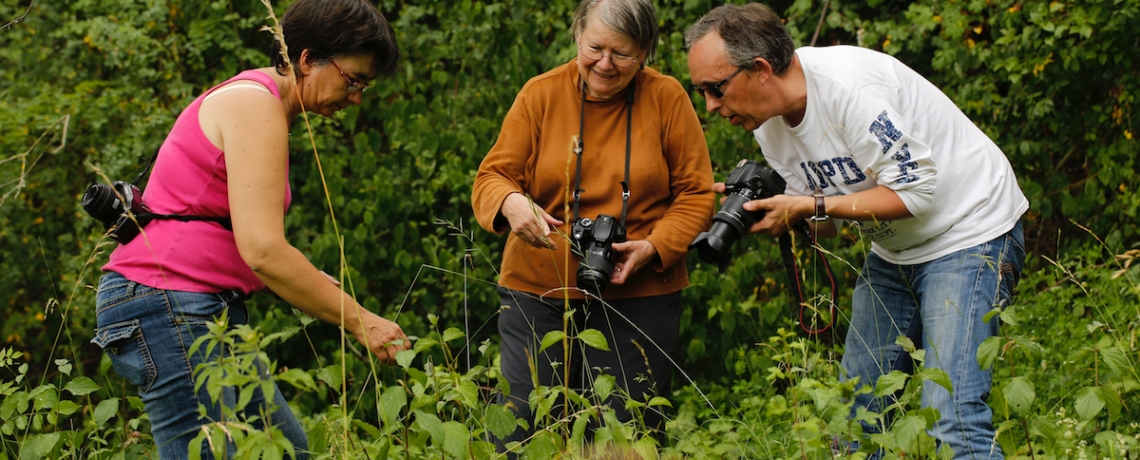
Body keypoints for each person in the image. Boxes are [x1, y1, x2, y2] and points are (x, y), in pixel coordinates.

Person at [684, 3, 1028, 459]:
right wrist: (781, 213)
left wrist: (811, 203)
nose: (710, 106)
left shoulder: (849, 89)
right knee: (853, 415)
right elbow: (827, 222)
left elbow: (918, 193)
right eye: (701, 92)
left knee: (953, 415)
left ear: (761, 69)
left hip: (970, 232)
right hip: (895, 253)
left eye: (716, 88)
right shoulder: (768, 126)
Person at [89, 1, 409, 458]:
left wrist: (312, 280)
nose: (356, 97)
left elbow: (239, 235)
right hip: (170, 302)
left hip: (184, 304)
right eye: (352, 79)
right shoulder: (255, 105)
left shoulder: (257, 103)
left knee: (280, 451)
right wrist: (362, 320)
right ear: (306, 59)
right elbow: (261, 248)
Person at [472, 0, 714, 448]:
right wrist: (510, 202)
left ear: (644, 52)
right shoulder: (540, 93)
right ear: (577, 36)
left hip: (641, 291)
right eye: (595, 47)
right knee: (526, 422)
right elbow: (493, 176)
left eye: (622, 53)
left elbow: (697, 192)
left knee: (627, 433)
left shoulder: (666, 97)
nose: (605, 64)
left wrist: (655, 247)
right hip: (538, 289)